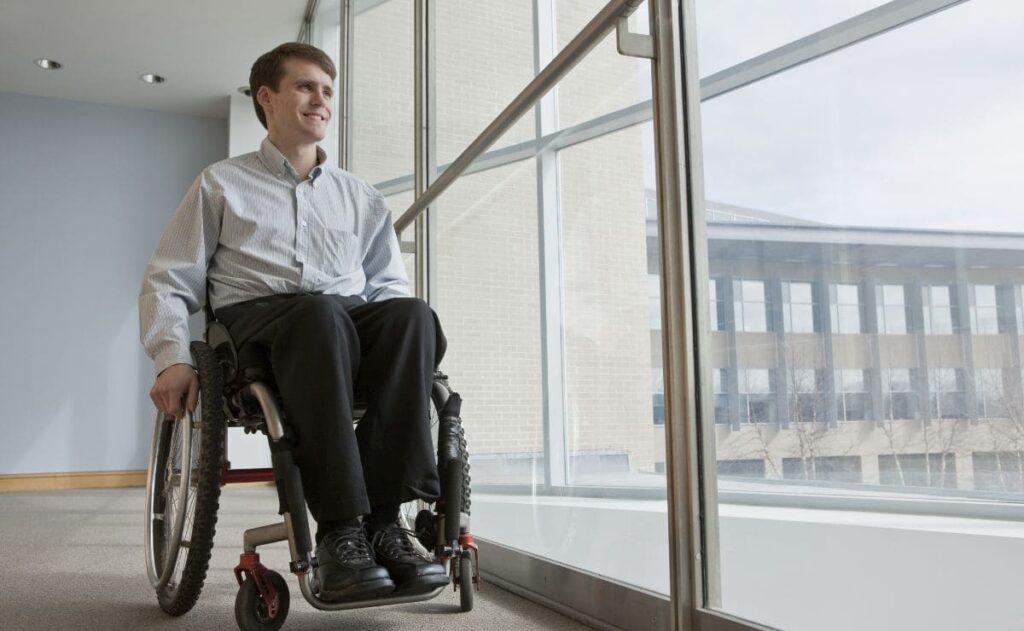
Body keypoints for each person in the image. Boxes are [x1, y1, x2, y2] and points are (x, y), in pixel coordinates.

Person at [139, 42, 448, 602]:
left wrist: (390, 319)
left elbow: (387, 285)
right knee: (319, 313)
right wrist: (172, 358)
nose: (320, 100)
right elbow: (168, 277)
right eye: (306, 87)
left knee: (411, 316)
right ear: (268, 98)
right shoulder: (221, 183)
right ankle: (339, 529)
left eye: (327, 91)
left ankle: (383, 524)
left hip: (341, 325)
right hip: (258, 326)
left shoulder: (360, 196)